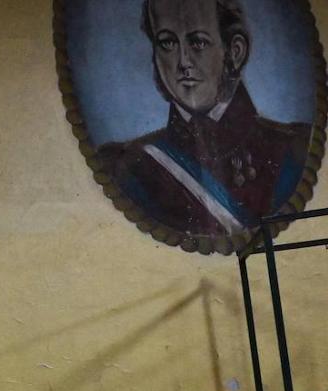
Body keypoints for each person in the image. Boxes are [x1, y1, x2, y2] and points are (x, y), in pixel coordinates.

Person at [97, 0, 312, 238]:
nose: (183, 62)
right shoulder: (130, 166)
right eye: (167, 43)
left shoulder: (294, 148)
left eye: (198, 42)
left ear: (235, 51)